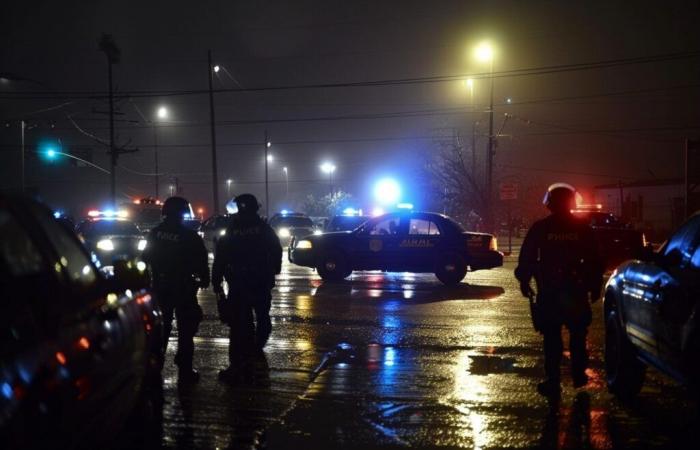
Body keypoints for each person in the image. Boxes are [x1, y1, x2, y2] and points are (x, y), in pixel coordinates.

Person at [514, 183, 603, 397]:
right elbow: (595, 260)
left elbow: (527, 258)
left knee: (552, 338)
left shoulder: (540, 228)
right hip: (576, 291)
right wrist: (594, 286)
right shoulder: (583, 229)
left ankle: (553, 381)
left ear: (550, 203)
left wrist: (524, 281)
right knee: (578, 334)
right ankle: (579, 374)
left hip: (550, 291)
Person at [212, 193, 282, 382]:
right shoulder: (263, 228)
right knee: (262, 317)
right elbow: (277, 250)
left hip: (239, 283)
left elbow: (221, 256)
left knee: (238, 326)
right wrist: (274, 270)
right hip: (260, 281)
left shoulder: (232, 229)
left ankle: (237, 365)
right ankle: (255, 350)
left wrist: (216, 280)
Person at [142, 196, 209, 383]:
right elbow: (201, 262)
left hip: (161, 288)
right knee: (186, 329)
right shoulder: (189, 236)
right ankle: (185, 367)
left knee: (160, 329)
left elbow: (144, 258)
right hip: (184, 288)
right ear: (183, 213)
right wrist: (205, 278)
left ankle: (155, 365)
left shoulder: (155, 234)